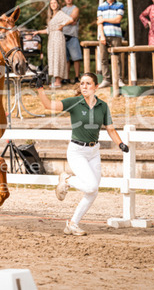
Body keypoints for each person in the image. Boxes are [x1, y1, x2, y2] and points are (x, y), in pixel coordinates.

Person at [35, 72, 129, 236]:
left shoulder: (103, 106)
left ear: (96, 87)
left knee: (93, 191)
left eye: (88, 83)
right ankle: (67, 179)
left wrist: (120, 144)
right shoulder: (75, 102)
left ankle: (73, 224)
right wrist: (40, 89)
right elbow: (48, 105)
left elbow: (110, 129)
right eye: (82, 83)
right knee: (91, 186)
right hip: (77, 151)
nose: (84, 86)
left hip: (94, 152)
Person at [33, 0, 74, 88]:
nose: (53, 5)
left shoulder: (60, 13)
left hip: (58, 37)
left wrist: (62, 25)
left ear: (58, 4)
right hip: (51, 37)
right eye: (51, 3)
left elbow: (71, 20)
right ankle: (56, 80)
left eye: (55, 3)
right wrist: (38, 32)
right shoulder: (51, 16)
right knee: (53, 57)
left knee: (58, 57)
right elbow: (48, 30)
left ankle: (58, 81)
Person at [97, 0, 125, 88]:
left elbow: (118, 20)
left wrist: (104, 19)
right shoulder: (101, 6)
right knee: (103, 58)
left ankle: (118, 79)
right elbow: (99, 23)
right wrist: (102, 36)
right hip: (104, 35)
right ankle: (106, 79)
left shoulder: (119, 5)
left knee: (117, 58)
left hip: (116, 34)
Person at [61, 0, 83, 84]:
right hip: (63, 36)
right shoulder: (62, 9)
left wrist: (65, 21)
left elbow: (72, 18)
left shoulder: (75, 8)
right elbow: (68, 20)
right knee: (65, 59)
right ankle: (66, 77)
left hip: (73, 36)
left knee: (76, 58)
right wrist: (69, 20)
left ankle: (77, 77)